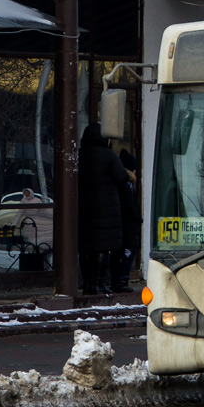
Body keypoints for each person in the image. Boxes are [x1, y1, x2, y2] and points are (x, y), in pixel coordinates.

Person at [77, 123, 127, 296]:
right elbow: (122, 177)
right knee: (103, 246)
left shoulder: (79, 155)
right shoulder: (108, 155)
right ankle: (99, 283)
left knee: (85, 247)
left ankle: (87, 284)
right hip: (106, 208)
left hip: (83, 206)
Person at [113, 149, 142, 294]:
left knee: (124, 252)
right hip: (128, 225)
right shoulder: (126, 184)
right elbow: (130, 206)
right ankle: (121, 280)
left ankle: (120, 279)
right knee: (128, 252)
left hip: (125, 225)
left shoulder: (122, 183)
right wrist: (138, 218)